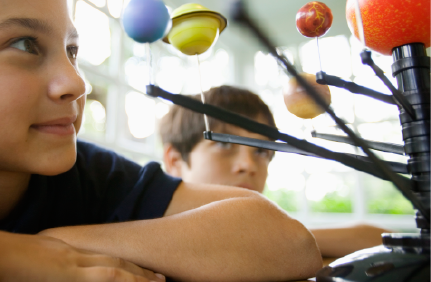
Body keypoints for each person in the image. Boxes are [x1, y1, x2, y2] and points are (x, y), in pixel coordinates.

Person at [0, 0, 322, 282]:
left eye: (71, 51)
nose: (77, 83)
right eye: (25, 44)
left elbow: (288, 242)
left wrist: (54, 245)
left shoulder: (91, 175)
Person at [159, 85, 391, 258]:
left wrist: (282, 238)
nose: (248, 165)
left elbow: (379, 239)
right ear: (175, 161)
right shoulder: (144, 232)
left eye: (261, 151)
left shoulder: (273, 231)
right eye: (223, 143)